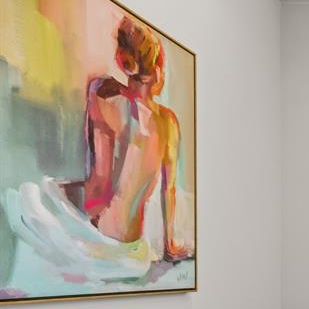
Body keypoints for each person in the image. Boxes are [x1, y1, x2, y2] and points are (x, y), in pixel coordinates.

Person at [4, 16, 192, 283]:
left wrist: (65, 190)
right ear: (159, 66)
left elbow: (97, 192)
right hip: (134, 256)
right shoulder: (169, 123)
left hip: (99, 249)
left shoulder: (103, 94)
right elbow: (168, 192)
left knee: (25, 196)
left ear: (121, 60)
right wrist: (170, 247)